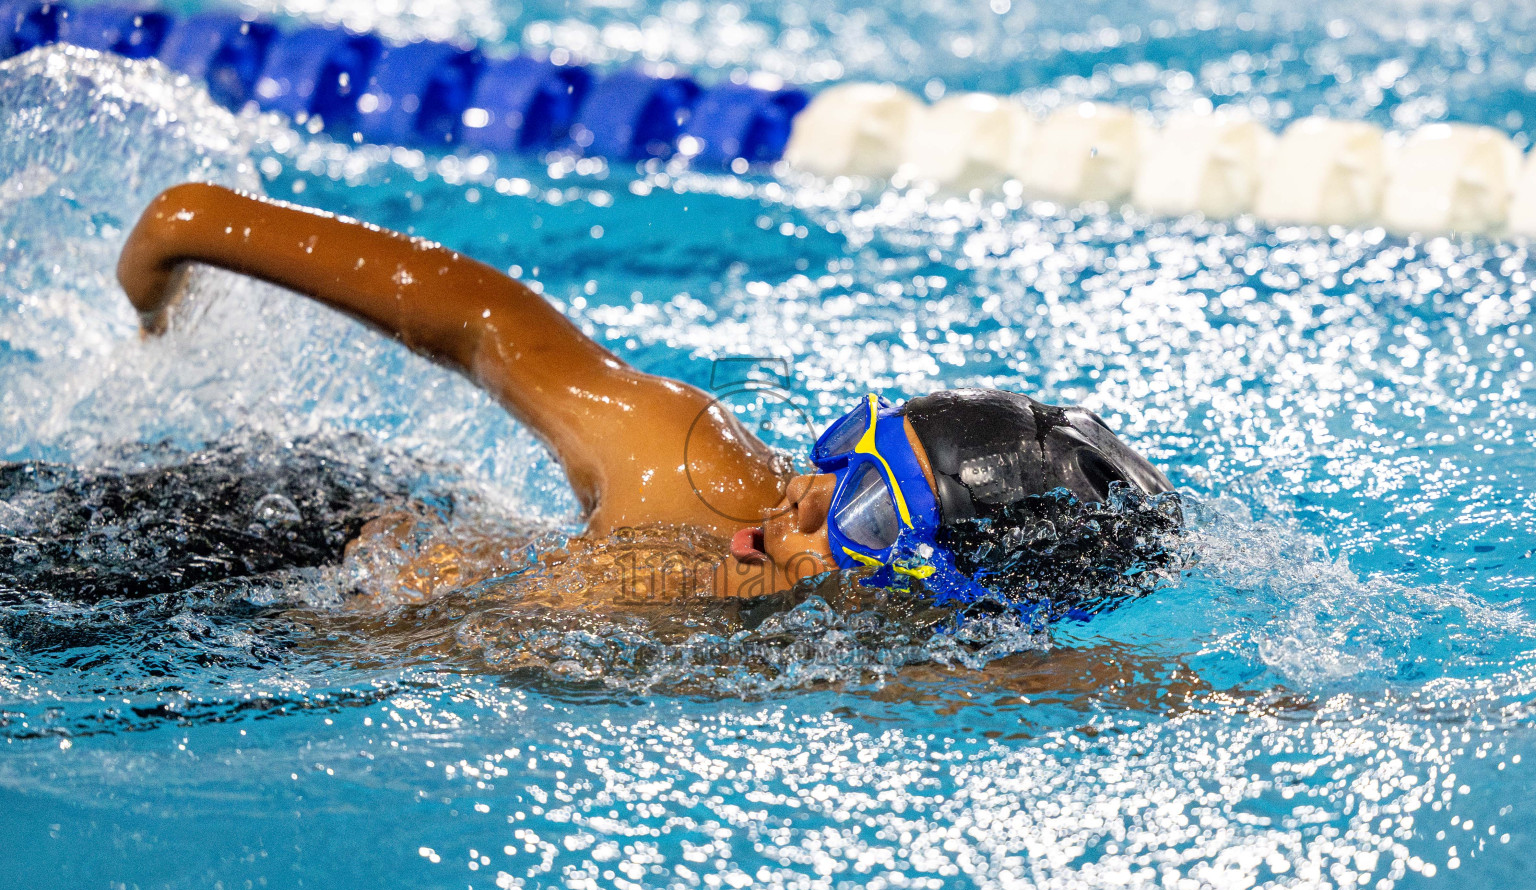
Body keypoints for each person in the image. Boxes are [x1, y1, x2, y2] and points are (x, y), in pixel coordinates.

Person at [117, 183, 1175, 609]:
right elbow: (488, 326)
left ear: (943, 592)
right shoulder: (694, 473)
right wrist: (196, 223)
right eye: (843, 453)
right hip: (253, 550)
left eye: (863, 503)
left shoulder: (899, 655)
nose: (805, 494)